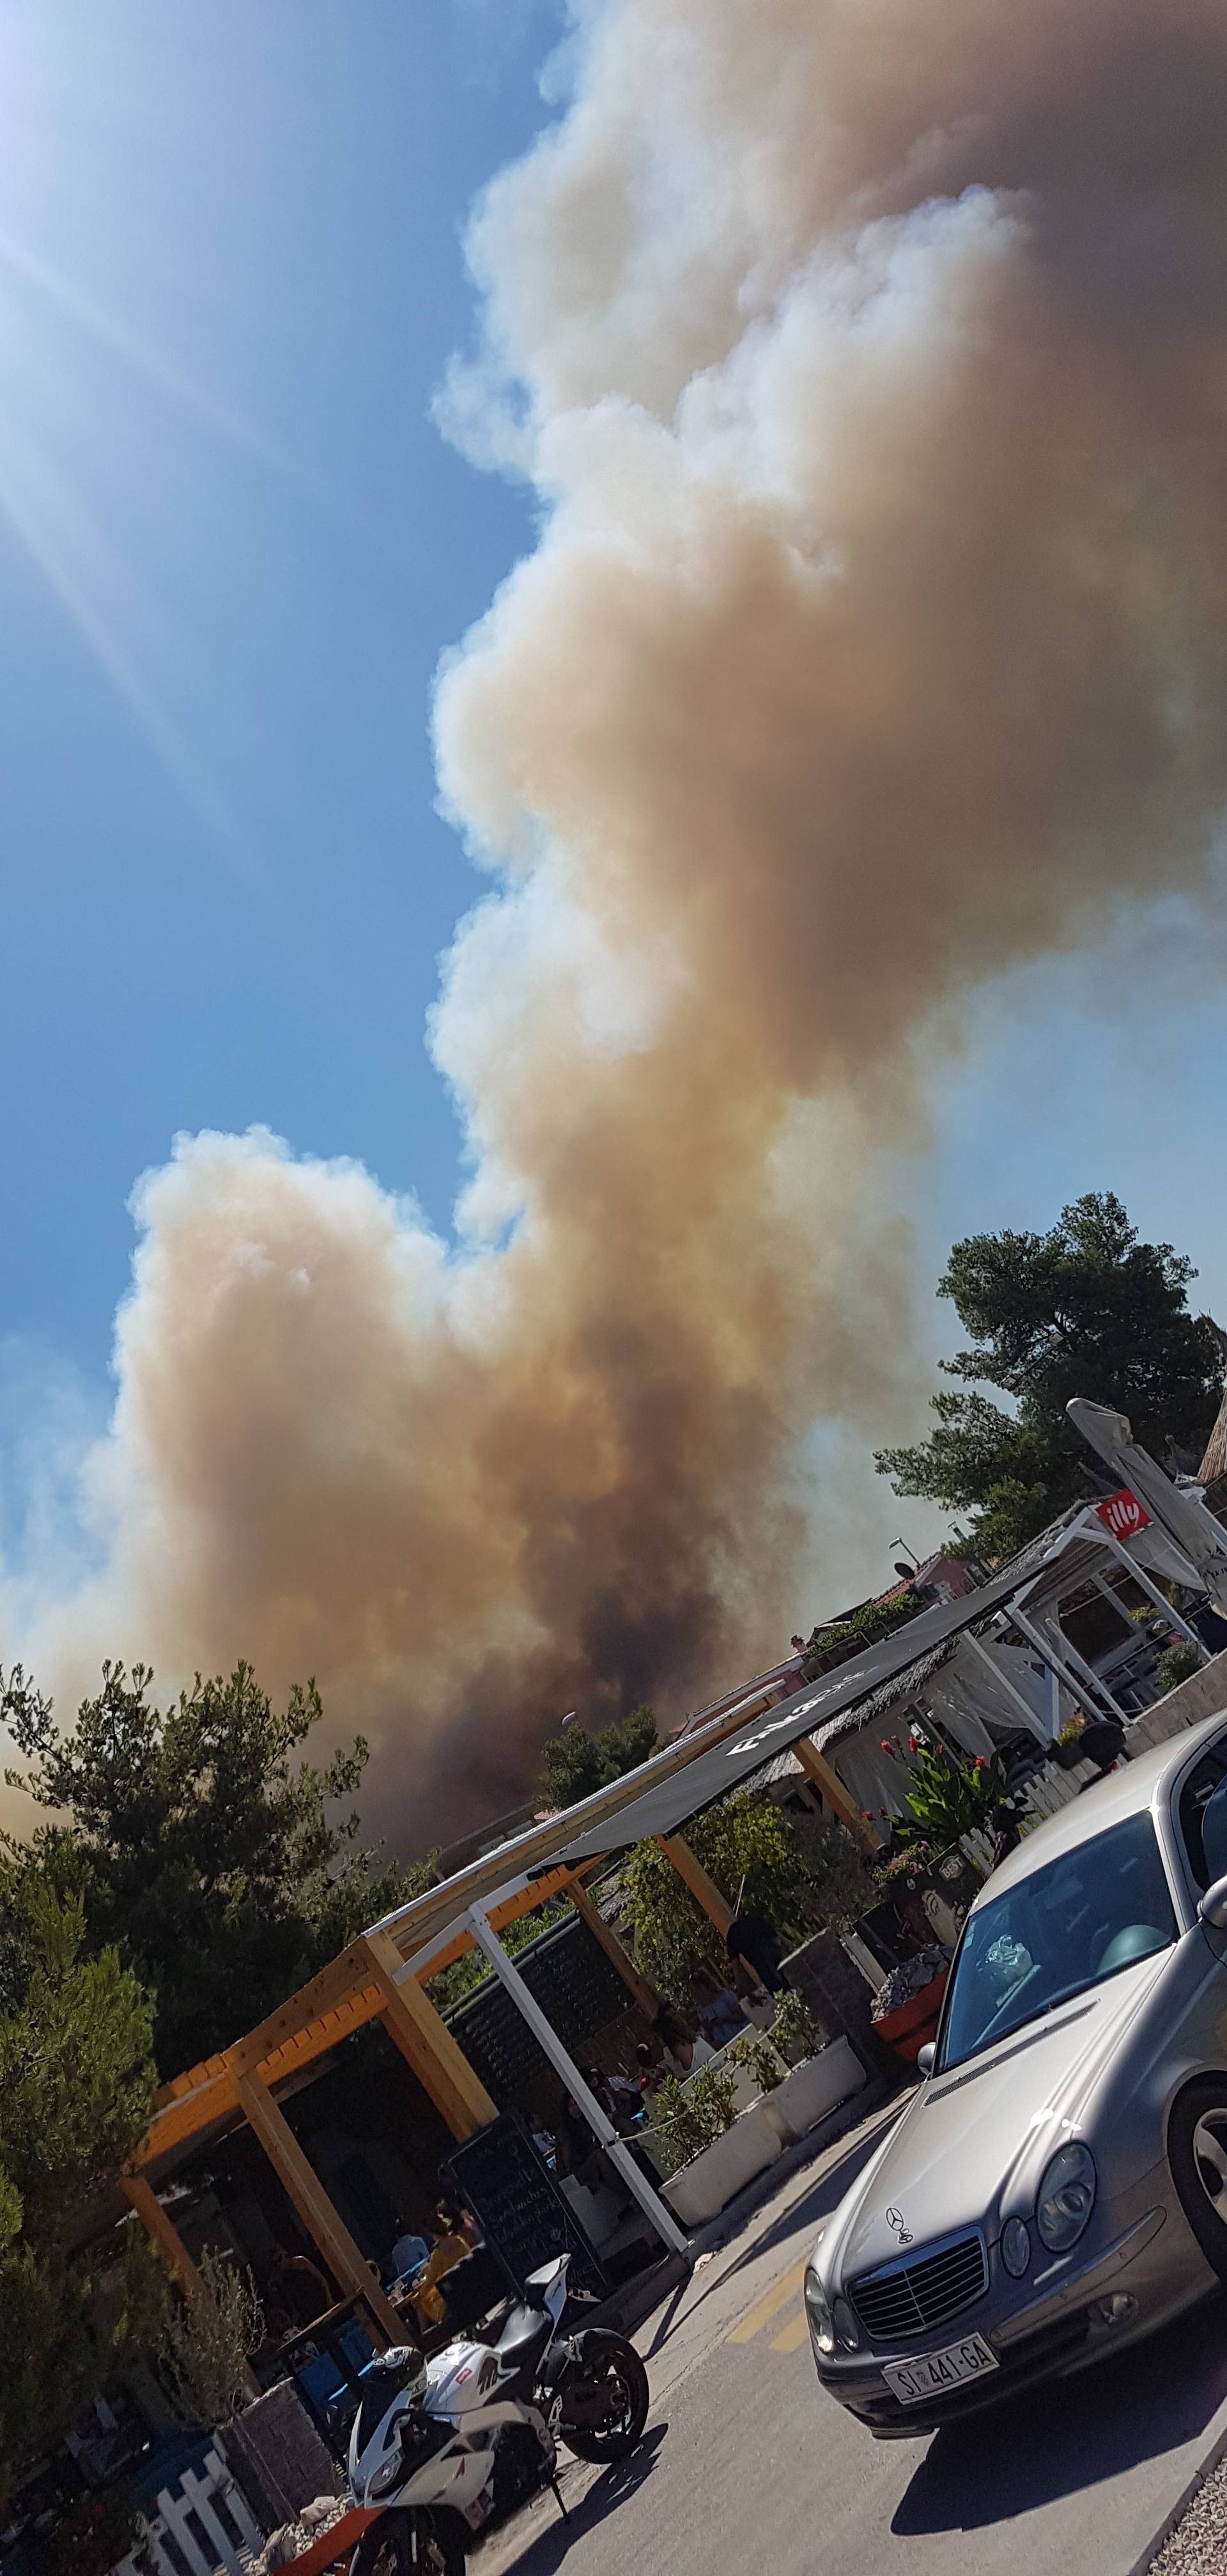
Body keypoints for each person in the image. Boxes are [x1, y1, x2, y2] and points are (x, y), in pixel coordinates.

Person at [409, 2203, 471, 2329]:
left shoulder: (438, 2255)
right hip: (468, 2284)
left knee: (418, 2302)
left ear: (433, 2234)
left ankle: (427, 2336)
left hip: (452, 2296)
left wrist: (418, 2295)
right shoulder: (460, 2241)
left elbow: (430, 2281)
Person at [725, 1907, 787, 1995]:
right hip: (776, 1956)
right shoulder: (755, 1920)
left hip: (763, 1967)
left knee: (780, 1993)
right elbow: (778, 1940)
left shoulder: (732, 1935)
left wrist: (746, 1993)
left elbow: (737, 1967)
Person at [691, 1967, 746, 2048]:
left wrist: (724, 2020)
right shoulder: (702, 2011)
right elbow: (709, 2038)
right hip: (723, 2045)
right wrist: (707, 2028)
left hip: (740, 2035)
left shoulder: (724, 1996)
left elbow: (741, 2016)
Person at [389, 2218, 431, 2282]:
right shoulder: (417, 2241)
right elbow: (428, 2260)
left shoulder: (394, 2252)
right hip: (423, 2279)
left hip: (408, 2286)